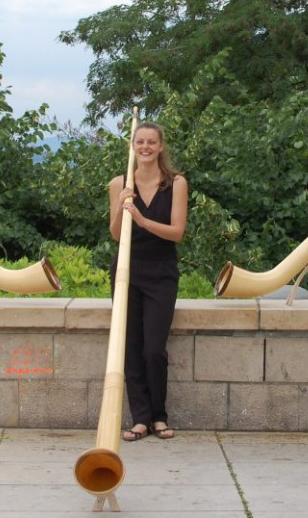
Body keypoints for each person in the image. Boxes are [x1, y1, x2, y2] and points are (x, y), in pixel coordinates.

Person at [109, 121, 188, 441]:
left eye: (151, 142)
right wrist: (120, 205)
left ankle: (159, 416)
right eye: (139, 141)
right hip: (127, 270)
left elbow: (177, 233)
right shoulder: (119, 182)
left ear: (160, 147)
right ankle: (140, 419)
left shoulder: (176, 183)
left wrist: (141, 218)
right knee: (131, 347)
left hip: (161, 272)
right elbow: (116, 234)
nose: (145, 147)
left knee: (154, 349)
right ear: (132, 145)